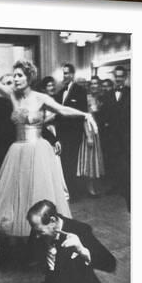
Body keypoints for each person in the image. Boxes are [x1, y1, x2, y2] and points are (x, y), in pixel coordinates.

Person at [0, 45, 97, 238]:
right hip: (17, 151)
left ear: (29, 77)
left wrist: (85, 114)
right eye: (14, 75)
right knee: (19, 194)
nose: (15, 79)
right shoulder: (11, 95)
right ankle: (24, 233)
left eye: (19, 75)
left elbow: (62, 110)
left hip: (38, 151)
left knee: (40, 193)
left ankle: (45, 232)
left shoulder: (40, 97)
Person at [55, 63, 89, 200]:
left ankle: (75, 193)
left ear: (73, 75)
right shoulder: (60, 92)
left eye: (67, 73)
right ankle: (68, 191)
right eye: (63, 73)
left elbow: (82, 113)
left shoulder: (80, 91)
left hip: (74, 134)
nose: (65, 76)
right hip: (62, 133)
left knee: (72, 163)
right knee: (64, 163)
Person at [77, 76, 105, 196]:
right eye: (92, 83)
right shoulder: (87, 98)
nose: (94, 86)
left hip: (96, 131)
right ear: (89, 85)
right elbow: (84, 118)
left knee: (94, 160)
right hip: (88, 130)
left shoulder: (98, 98)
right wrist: (88, 136)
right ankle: (89, 188)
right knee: (89, 159)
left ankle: (93, 186)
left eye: (96, 83)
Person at [109, 65, 131, 210]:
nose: (118, 79)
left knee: (126, 162)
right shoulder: (108, 94)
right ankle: (116, 186)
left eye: (121, 76)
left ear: (125, 77)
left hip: (127, 134)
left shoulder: (131, 93)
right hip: (112, 135)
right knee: (114, 161)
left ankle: (126, 189)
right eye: (116, 76)